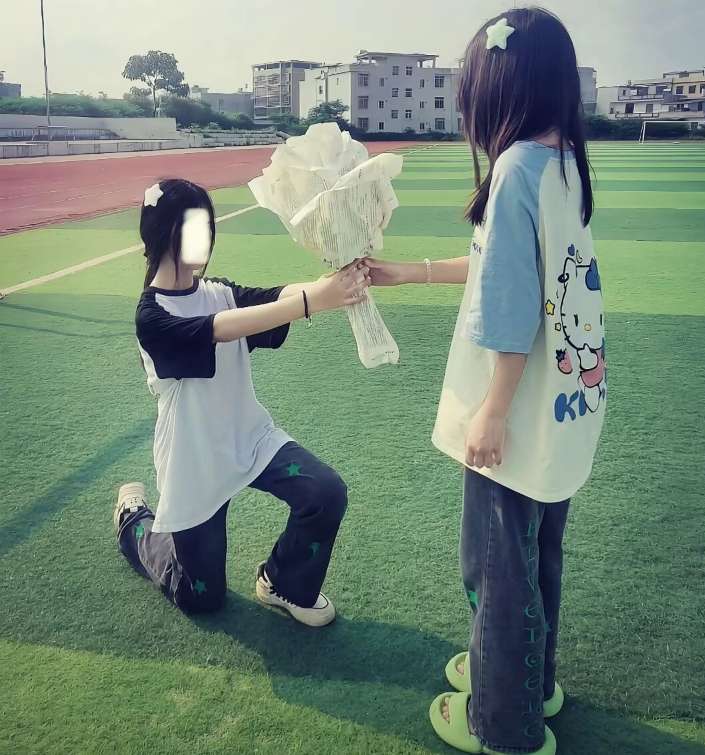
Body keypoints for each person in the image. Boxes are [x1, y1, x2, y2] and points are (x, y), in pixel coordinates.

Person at [367, 8, 606, 753]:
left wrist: (492, 411)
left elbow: (509, 307)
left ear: (500, 91)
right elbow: (507, 269)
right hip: (566, 406)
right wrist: (410, 271)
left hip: (519, 413)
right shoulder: (563, 162)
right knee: (537, 557)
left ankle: (504, 724)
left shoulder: (513, 169)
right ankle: (533, 685)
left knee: (497, 569)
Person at [114, 178, 369, 627]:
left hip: (249, 438)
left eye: (207, 227)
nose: (205, 238)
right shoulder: (151, 316)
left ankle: (283, 583)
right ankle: (134, 522)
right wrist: (312, 300)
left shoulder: (218, 291)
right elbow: (220, 328)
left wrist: (334, 282)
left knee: (325, 493)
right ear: (163, 234)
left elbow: (272, 299)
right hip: (194, 461)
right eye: (194, 227)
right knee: (200, 597)